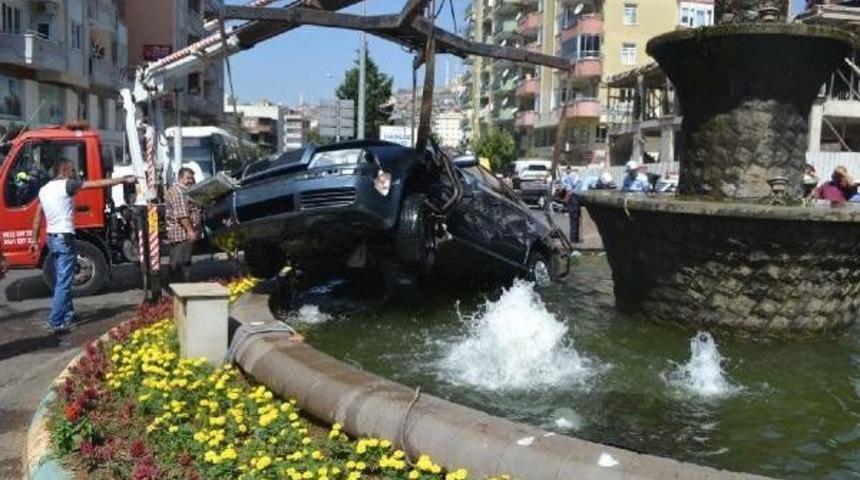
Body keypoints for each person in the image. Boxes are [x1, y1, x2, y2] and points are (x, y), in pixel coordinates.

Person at [30, 159, 136, 334]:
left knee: (62, 279)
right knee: (64, 282)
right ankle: (55, 321)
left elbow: (37, 218)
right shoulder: (67, 185)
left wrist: (34, 241)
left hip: (52, 238)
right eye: (73, 171)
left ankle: (68, 314)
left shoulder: (44, 189)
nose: (76, 174)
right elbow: (97, 184)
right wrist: (123, 179)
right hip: (64, 238)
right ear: (65, 171)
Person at [165, 167, 202, 283]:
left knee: (179, 261)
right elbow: (182, 215)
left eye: (192, 178)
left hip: (182, 233)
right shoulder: (178, 192)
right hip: (182, 233)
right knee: (182, 262)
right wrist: (190, 231)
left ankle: (178, 285)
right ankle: (180, 287)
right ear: (180, 178)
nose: (191, 181)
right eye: (188, 178)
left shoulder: (182, 191)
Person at [561, 166, 582, 243]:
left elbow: (566, 188)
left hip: (571, 197)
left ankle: (573, 238)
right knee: (575, 220)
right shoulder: (573, 176)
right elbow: (575, 187)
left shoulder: (567, 176)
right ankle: (574, 239)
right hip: (574, 197)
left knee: (573, 220)